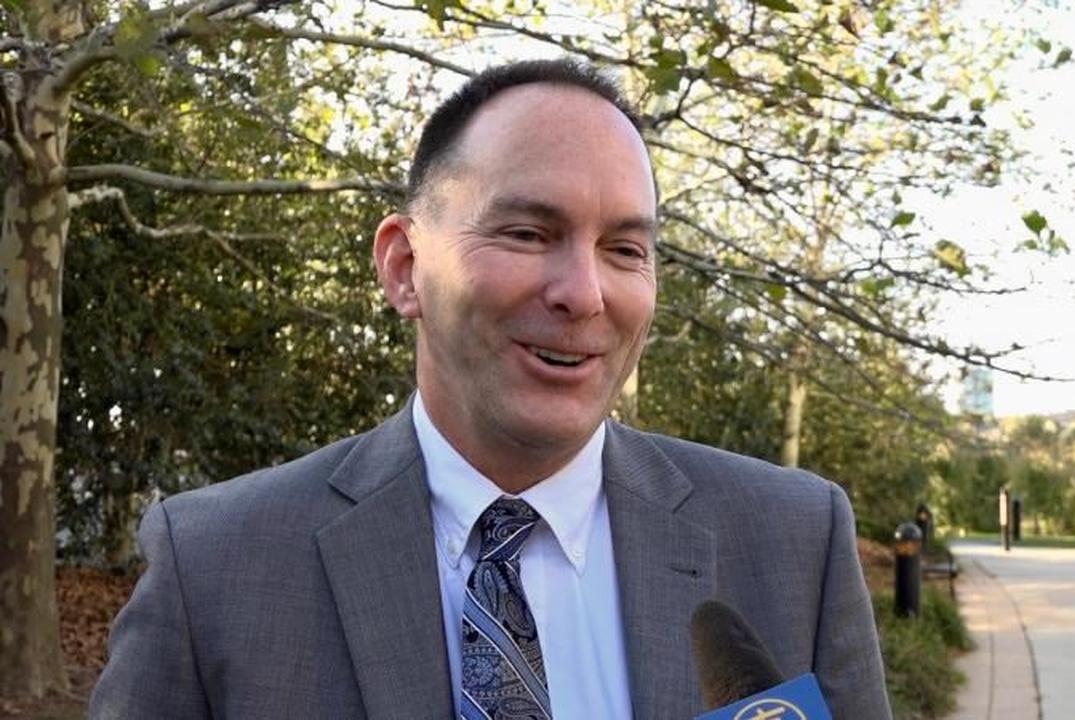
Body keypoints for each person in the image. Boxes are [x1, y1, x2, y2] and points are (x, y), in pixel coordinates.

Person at [89, 59, 891, 719]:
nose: (584, 294)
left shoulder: (792, 544)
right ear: (405, 267)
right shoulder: (217, 567)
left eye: (624, 249)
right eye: (528, 233)